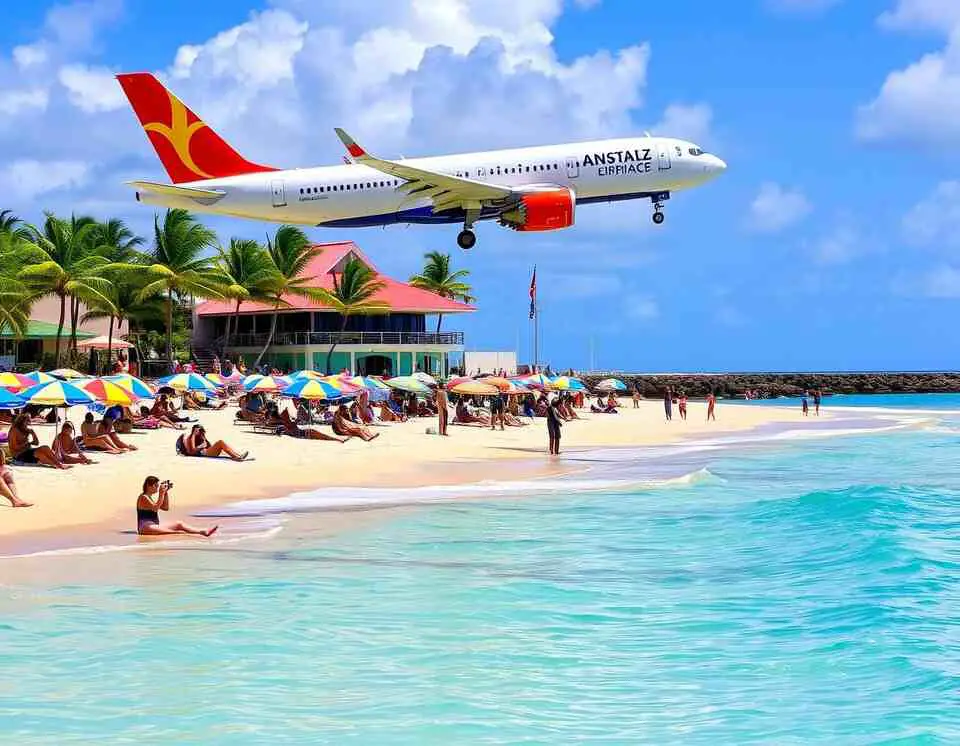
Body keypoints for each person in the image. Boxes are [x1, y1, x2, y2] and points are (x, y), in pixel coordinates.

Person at [136, 476, 218, 537]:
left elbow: (165, 507)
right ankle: (201, 533)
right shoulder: (143, 497)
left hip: (155, 525)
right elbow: (155, 508)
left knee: (179, 524)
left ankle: (203, 531)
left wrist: (165, 493)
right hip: (145, 527)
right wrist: (161, 493)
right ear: (148, 485)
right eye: (156, 486)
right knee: (177, 533)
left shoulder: (150, 498)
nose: (157, 489)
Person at [181, 424, 249, 461]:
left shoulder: (199, 436)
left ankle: (238, 455)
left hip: (206, 451)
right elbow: (192, 451)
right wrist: (200, 446)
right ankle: (237, 457)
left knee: (221, 443)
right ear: (194, 430)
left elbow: (209, 445)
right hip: (204, 453)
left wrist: (203, 437)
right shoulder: (192, 437)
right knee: (220, 442)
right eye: (198, 430)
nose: (198, 432)